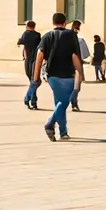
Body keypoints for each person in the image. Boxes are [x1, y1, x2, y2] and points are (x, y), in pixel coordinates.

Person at [32, 12, 83, 141]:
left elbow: (40, 55)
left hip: (52, 76)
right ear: (65, 23)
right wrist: (81, 73)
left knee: (59, 103)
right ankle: (50, 124)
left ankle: (63, 132)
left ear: (53, 23)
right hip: (67, 75)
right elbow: (75, 56)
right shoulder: (71, 35)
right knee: (64, 102)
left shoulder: (47, 36)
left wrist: (36, 76)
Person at [18, 21, 42, 109]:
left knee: (32, 81)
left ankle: (30, 99)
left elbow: (20, 42)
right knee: (34, 80)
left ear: (27, 26)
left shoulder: (25, 34)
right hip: (35, 60)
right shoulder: (38, 35)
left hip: (28, 60)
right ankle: (33, 100)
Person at [69, 20, 89, 112]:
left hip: (67, 65)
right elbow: (84, 54)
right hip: (77, 66)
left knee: (71, 86)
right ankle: (73, 102)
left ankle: (72, 101)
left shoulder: (65, 40)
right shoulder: (80, 41)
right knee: (76, 86)